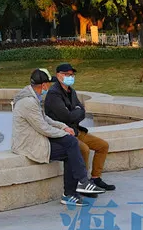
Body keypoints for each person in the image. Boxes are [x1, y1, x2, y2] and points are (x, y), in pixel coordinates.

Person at [11, 68, 104, 207]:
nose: (50, 86)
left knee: (71, 146)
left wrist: (63, 127)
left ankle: (72, 192)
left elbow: (45, 119)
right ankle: (82, 183)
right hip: (30, 145)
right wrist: (64, 133)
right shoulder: (28, 102)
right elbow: (43, 128)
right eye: (49, 83)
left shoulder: (32, 97)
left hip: (37, 139)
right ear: (43, 85)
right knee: (71, 143)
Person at [44, 63, 115, 191]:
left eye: (71, 75)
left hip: (76, 130)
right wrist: (76, 111)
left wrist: (75, 112)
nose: (70, 77)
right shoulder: (53, 94)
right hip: (64, 132)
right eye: (66, 74)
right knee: (84, 149)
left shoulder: (71, 91)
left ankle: (96, 178)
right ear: (58, 75)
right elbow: (66, 116)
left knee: (102, 146)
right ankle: (83, 183)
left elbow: (82, 111)